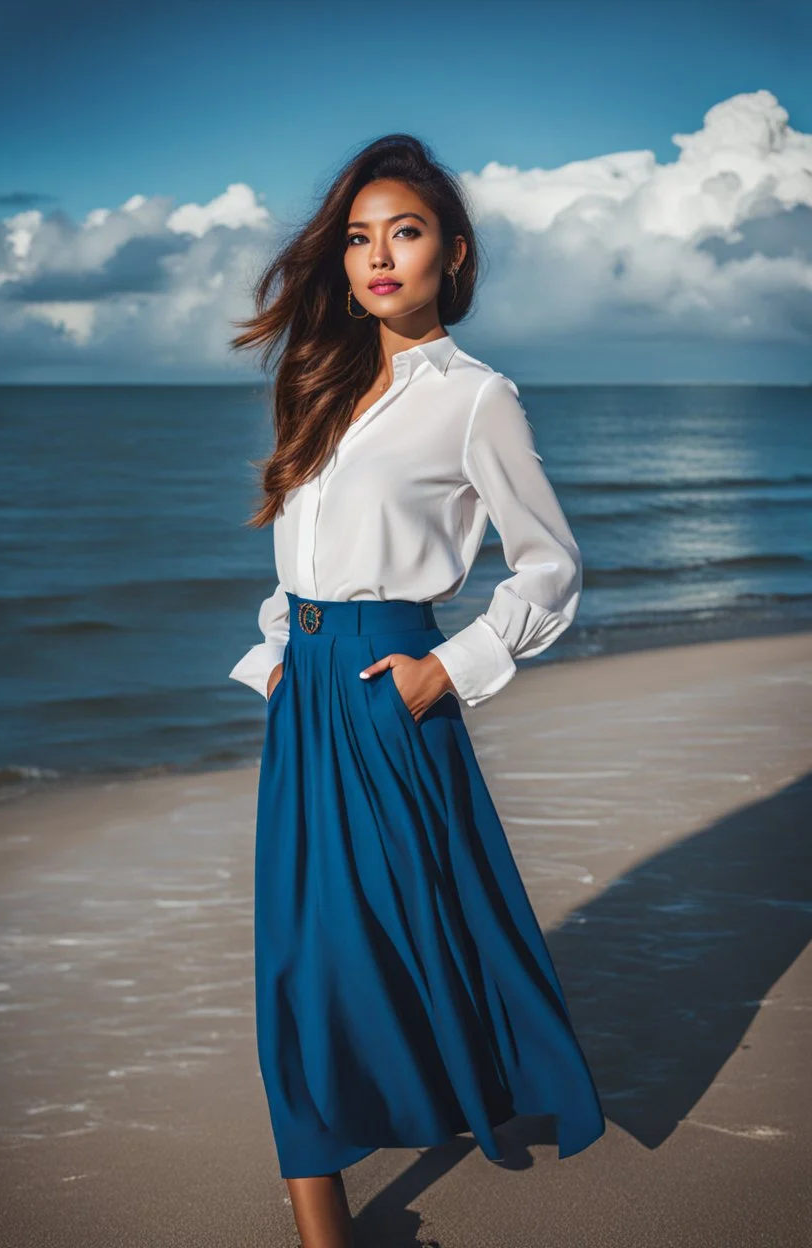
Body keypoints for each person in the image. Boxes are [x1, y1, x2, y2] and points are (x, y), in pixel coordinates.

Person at [227, 133, 605, 1248]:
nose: (378, 256)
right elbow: (300, 555)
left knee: (390, 952)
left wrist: (455, 667)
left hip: (394, 695)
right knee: (294, 966)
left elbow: (552, 565)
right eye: (358, 237)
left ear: (452, 251)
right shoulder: (317, 379)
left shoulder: (478, 399)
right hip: (306, 702)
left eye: (404, 232)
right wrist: (277, 651)